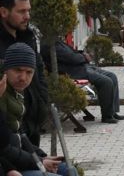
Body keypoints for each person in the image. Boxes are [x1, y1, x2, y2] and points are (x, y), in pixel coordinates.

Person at [0, 43, 78, 176]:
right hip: (9, 166)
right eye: (18, 70)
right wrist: (38, 161)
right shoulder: (3, 95)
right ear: (5, 70)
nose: (23, 77)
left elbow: (20, 138)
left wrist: (41, 156)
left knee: (68, 170)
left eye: (29, 72)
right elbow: (5, 147)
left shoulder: (19, 95)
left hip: (18, 161)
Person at [0, 0, 48, 147]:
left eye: (28, 10)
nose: (27, 16)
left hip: (32, 121)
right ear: (4, 12)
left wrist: (42, 102)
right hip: (9, 130)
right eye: (21, 11)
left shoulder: (29, 37)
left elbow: (39, 72)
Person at [41, 40, 124, 124]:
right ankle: (107, 116)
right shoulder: (49, 45)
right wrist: (84, 57)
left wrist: (82, 54)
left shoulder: (57, 41)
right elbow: (72, 58)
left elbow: (73, 52)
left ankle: (113, 112)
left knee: (112, 76)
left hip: (82, 67)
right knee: (106, 82)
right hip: (73, 73)